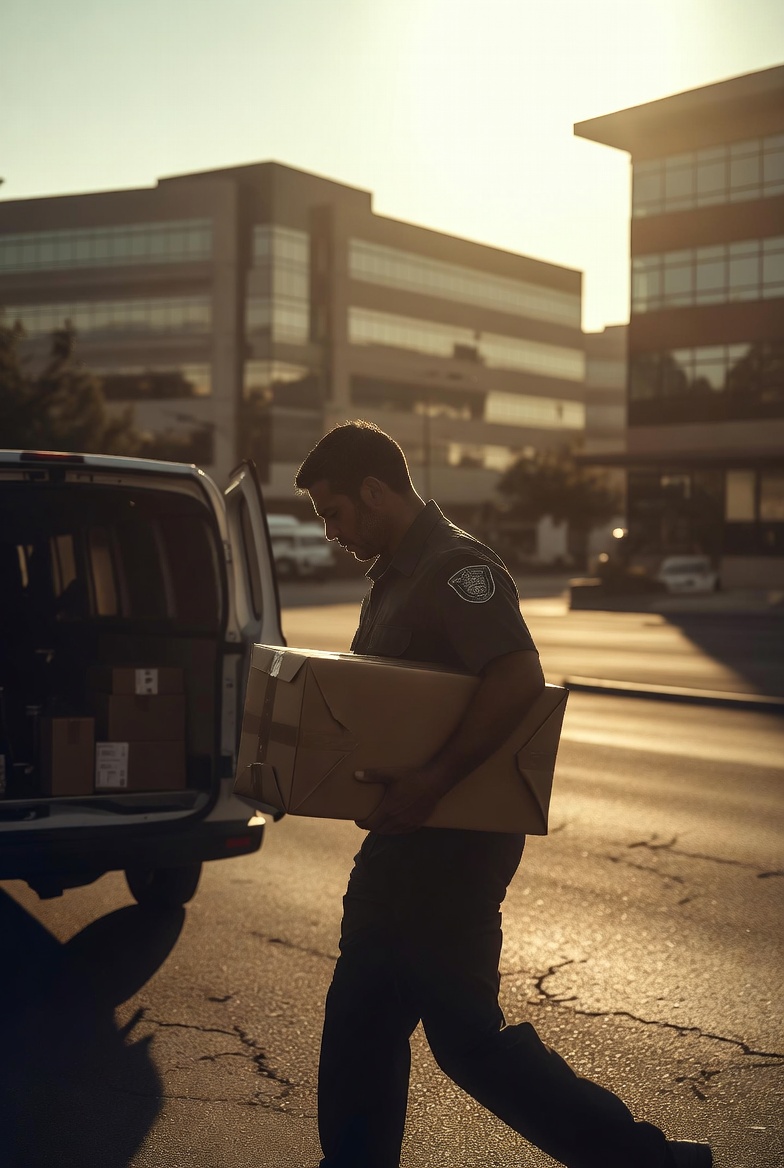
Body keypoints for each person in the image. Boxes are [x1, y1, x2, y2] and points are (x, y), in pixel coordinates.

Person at [294, 421, 712, 1168]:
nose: (329, 532)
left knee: (466, 1041)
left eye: (335, 513)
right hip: (403, 841)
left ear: (375, 490)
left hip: (452, 846)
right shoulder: (393, 575)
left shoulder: (455, 568)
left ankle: (647, 1162)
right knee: (361, 1016)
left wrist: (430, 782)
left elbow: (517, 675)